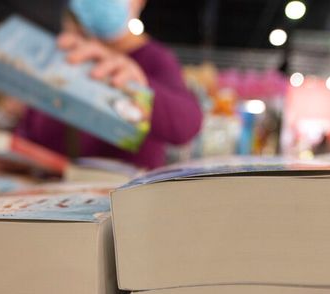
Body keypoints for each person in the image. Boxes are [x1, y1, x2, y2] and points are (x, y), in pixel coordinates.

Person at [15, 0, 203, 170]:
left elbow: (186, 125)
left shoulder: (155, 59)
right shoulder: (67, 54)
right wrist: (16, 152)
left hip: (124, 200)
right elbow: (32, 129)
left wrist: (139, 87)